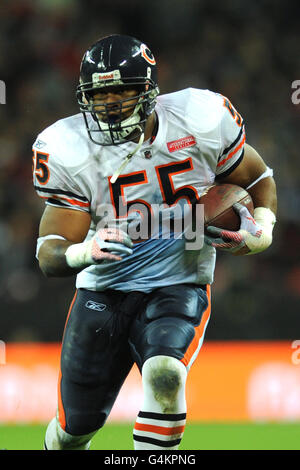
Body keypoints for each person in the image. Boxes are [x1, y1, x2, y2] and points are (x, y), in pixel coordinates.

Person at [32, 34, 277, 450]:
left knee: (166, 374)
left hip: (178, 282)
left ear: (148, 89)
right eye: (99, 94)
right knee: (74, 431)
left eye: (120, 91)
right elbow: (48, 251)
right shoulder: (66, 147)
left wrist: (264, 228)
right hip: (104, 291)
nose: (108, 104)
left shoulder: (200, 117)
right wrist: (82, 252)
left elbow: (255, 177)